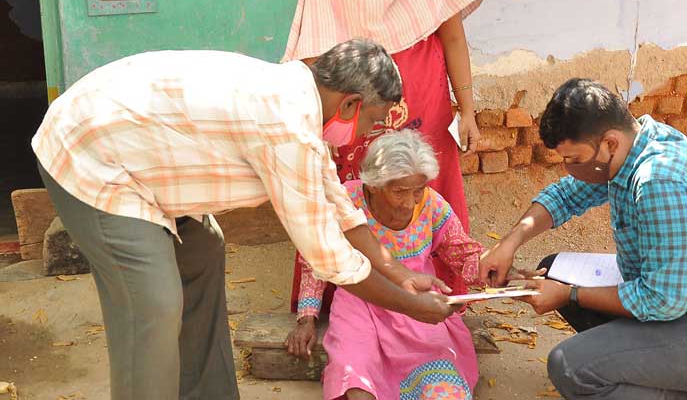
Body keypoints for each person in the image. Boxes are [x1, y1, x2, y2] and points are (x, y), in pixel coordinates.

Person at [32, 40, 455, 400]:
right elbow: (330, 261)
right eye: (371, 121)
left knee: (202, 250)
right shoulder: (286, 129)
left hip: (130, 150)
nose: (366, 134)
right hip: (88, 153)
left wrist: (399, 273)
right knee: (154, 305)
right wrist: (411, 306)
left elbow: (340, 207)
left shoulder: (301, 101)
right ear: (349, 103)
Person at [479, 78, 687, 400]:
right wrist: (507, 245)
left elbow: (662, 300)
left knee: (568, 367)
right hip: (685, 307)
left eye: (575, 160)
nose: (570, 170)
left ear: (609, 142)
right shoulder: (636, 141)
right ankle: (661, 370)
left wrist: (568, 294)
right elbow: (564, 197)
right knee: (553, 269)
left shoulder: (659, 182)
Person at [284, 0, 484, 307]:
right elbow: (317, 41)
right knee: (349, 193)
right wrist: (321, 115)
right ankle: (342, 298)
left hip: (425, 99)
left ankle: (441, 293)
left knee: (420, 189)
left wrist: (466, 109)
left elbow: (452, 35)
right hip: (358, 102)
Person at [287, 130, 483, 400]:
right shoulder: (347, 200)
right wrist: (306, 319)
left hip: (418, 304)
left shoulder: (432, 205)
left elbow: (463, 254)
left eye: (418, 190)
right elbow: (316, 260)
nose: (410, 202)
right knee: (354, 375)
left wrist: (498, 272)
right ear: (373, 185)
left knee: (442, 384)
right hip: (359, 301)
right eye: (400, 191)